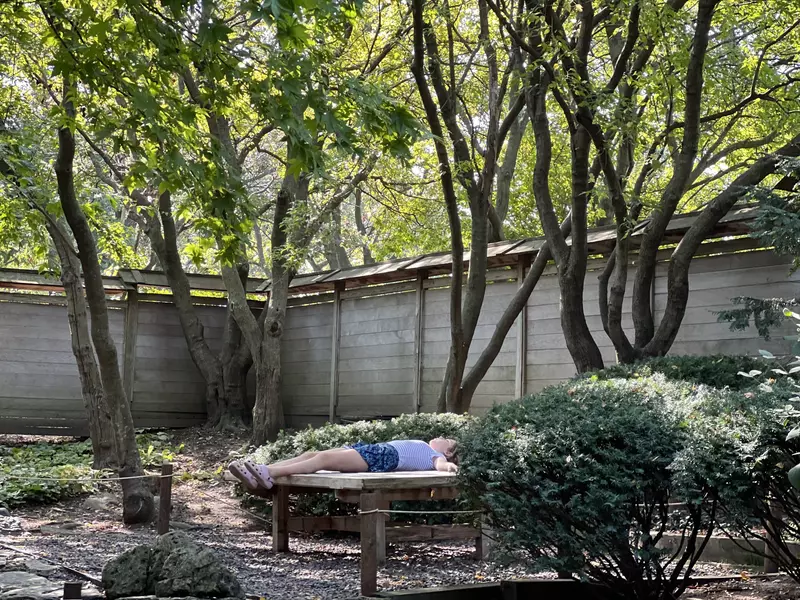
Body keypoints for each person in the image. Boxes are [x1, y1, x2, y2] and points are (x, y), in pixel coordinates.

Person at [229, 438, 459, 491]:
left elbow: (441, 466)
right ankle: (259, 471)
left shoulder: (434, 455)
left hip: (381, 456)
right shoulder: (427, 447)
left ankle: (268, 473)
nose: (440, 437)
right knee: (313, 453)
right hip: (373, 449)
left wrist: (450, 467)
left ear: (447, 450)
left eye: (446, 439)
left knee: (323, 460)